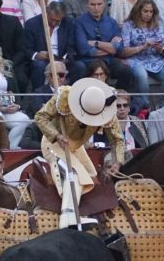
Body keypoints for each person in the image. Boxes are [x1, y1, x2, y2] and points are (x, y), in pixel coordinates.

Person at [34, 77, 124, 228]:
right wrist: (56, 135)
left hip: (77, 146)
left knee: (92, 176)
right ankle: (68, 219)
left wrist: (117, 161)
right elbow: (40, 116)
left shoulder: (104, 107)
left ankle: (84, 213)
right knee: (75, 175)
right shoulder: (65, 97)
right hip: (54, 143)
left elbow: (117, 140)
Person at [120, 0, 164, 104]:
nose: (148, 14)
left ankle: (163, 107)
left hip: (156, 59)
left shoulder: (159, 24)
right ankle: (144, 107)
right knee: (142, 76)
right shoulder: (128, 25)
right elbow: (123, 51)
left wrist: (161, 49)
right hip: (136, 60)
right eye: (145, 11)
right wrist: (142, 47)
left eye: (151, 11)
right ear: (138, 11)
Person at [75, 0, 134, 94]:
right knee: (79, 67)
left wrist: (96, 43)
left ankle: (118, 99)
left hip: (108, 60)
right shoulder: (79, 22)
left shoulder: (111, 22)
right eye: (93, 4)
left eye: (99, 4)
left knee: (125, 70)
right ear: (87, 5)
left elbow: (119, 48)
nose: (96, 8)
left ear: (104, 4)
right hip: (88, 61)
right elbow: (84, 49)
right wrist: (111, 47)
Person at [22, 1, 84, 89]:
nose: (54, 23)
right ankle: (39, 96)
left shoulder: (68, 23)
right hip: (43, 60)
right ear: (46, 13)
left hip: (62, 59)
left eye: (58, 21)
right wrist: (37, 55)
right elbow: (26, 49)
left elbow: (71, 46)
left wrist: (65, 60)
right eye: (51, 19)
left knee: (80, 66)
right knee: (39, 66)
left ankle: (72, 95)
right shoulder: (32, 24)